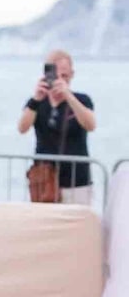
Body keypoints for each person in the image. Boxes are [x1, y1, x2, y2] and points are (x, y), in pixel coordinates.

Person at [18, 49, 96, 204]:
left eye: (65, 76)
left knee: (77, 225)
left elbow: (90, 124)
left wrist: (68, 96)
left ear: (72, 75)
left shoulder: (82, 100)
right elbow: (22, 128)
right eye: (55, 76)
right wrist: (36, 99)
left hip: (76, 181)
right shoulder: (36, 102)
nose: (59, 80)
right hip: (44, 179)